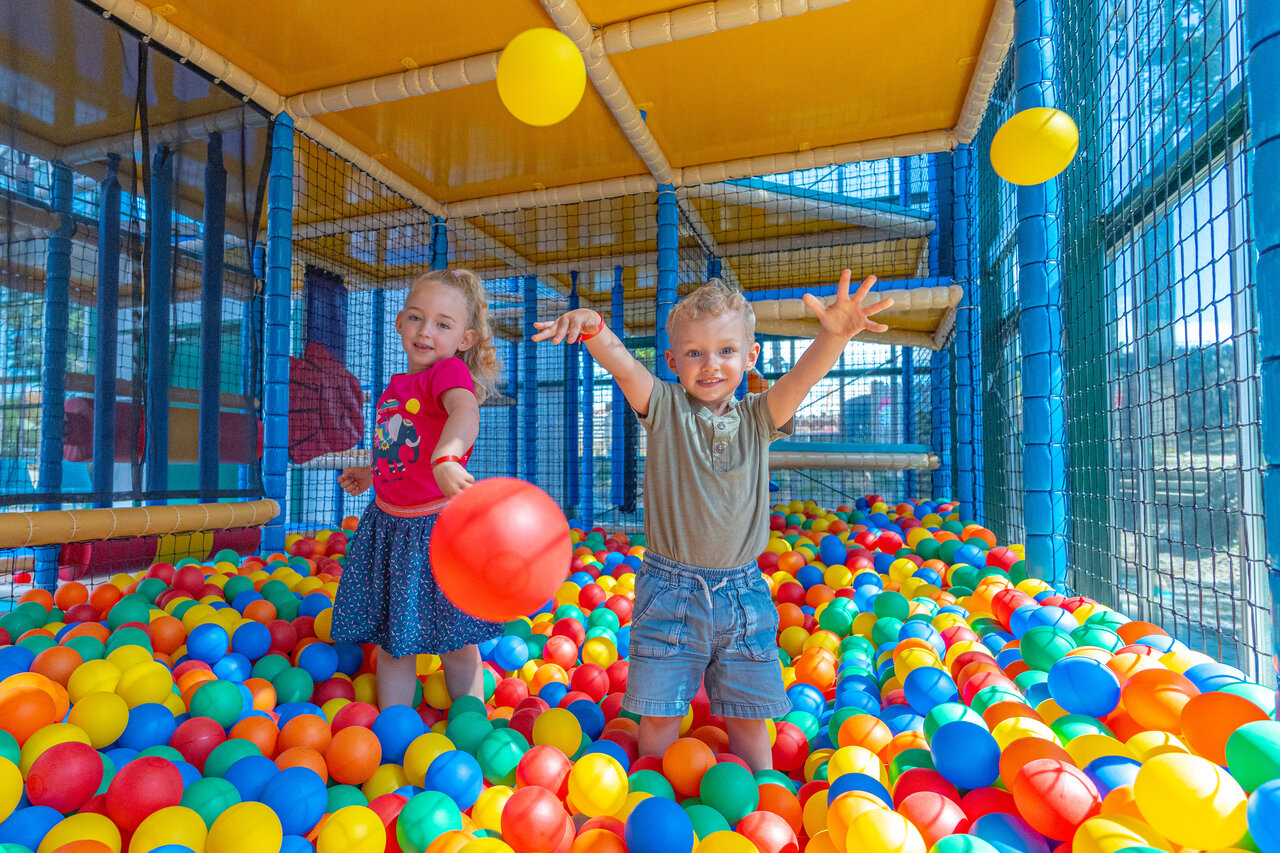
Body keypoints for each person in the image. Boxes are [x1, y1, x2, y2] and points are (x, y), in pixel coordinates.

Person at [532, 270, 891, 771]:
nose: (710, 365)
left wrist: (833, 334)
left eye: (725, 351)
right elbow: (623, 367)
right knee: (657, 716)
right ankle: (650, 790)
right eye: (694, 353)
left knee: (751, 716)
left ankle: (761, 799)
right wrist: (595, 327)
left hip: (744, 593)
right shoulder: (663, 406)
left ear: (751, 357)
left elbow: (802, 378)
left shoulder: (760, 417)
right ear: (673, 361)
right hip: (669, 590)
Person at [331, 268, 503, 709]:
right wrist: (374, 473)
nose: (425, 332)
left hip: (435, 531)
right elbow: (400, 447)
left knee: (458, 640)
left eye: (442, 325)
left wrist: (449, 455)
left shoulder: (446, 374)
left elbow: (464, 412)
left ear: (464, 339)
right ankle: (395, 728)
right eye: (415, 318)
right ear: (399, 322)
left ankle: (472, 723)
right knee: (393, 641)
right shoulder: (397, 385)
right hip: (389, 526)